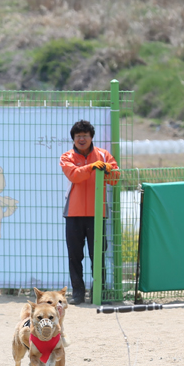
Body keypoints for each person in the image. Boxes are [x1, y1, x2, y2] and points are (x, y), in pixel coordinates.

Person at [60, 119, 119, 305]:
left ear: (91, 137)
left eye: (85, 135)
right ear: (73, 139)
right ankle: (78, 293)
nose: (82, 139)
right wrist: (92, 167)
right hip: (73, 214)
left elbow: (115, 177)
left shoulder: (103, 155)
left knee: (98, 254)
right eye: (78, 136)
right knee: (74, 256)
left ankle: (98, 292)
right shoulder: (66, 157)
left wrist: (106, 168)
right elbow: (74, 175)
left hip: (98, 213)